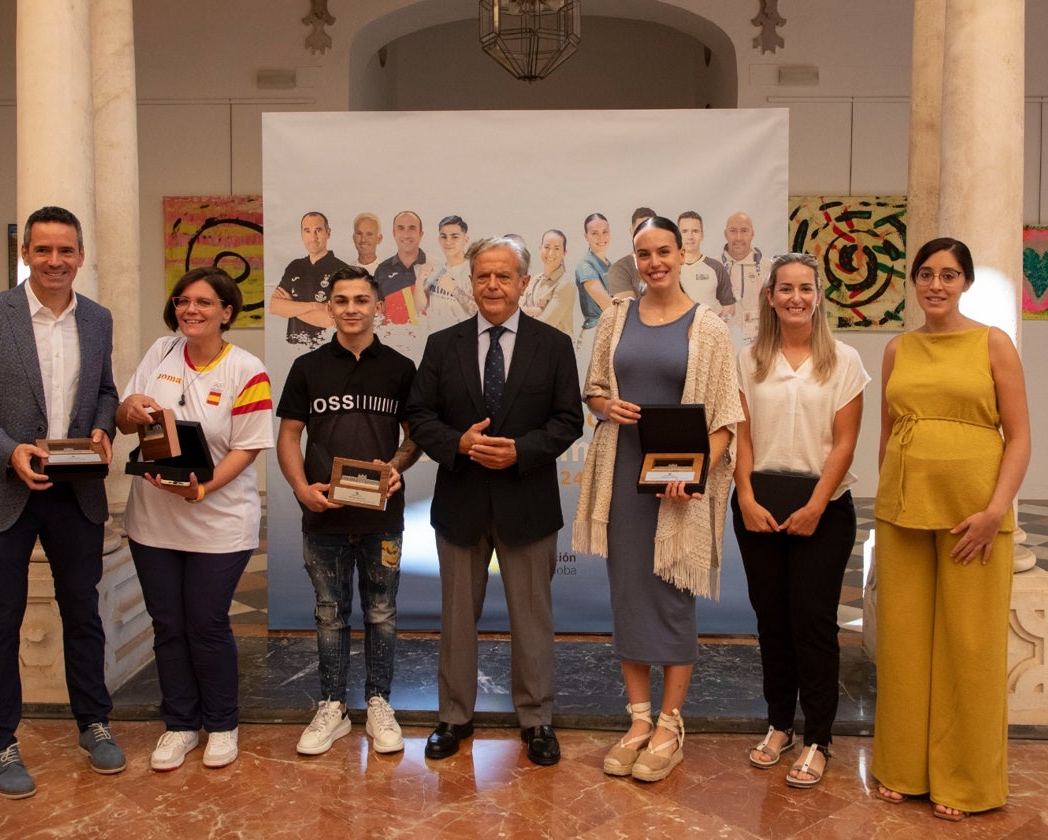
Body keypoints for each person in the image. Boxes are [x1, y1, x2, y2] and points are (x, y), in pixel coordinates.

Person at [0, 205, 124, 799]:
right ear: (26, 255)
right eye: (43, 250)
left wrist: (102, 432)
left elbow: (104, 391)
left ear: (81, 256)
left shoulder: (97, 319)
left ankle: (94, 723)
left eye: (65, 251)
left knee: (83, 614)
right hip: (3, 491)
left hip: (77, 495)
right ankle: (0, 742)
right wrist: (9, 450)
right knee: (2, 620)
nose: (54, 261)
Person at [573, 216, 742, 783]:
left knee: (672, 594)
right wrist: (603, 407)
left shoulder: (709, 327)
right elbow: (594, 388)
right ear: (636, 259)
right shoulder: (616, 317)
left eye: (663, 251)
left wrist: (693, 473)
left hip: (678, 483)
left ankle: (672, 723)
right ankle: (638, 719)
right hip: (622, 474)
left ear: (682, 252)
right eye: (643, 254)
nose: (654, 263)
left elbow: (726, 419)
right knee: (629, 593)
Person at [406, 236, 583, 766]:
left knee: (532, 618)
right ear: (471, 282)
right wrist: (457, 444)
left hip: (527, 502)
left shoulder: (553, 345)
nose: (493, 285)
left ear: (524, 283)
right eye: (483, 275)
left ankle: (537, 720)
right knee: (458, 617)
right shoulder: (443, 345)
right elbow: (419, 415)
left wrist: (521, 452)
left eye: (504, 276)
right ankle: (454, 717)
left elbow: (568, 420)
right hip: (461, 500)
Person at [871, 238, 1030, 822]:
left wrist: (995, 511)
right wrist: (892, 490)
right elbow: (888, 433)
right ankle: (903, 767)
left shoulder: (993, 343)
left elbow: (1019, 436)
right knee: (905, 640)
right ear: (914, 282)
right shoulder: (897, 348)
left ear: (964, 282)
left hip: (976, 516)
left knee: (970, 646)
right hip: (903, 509)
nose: (935, 284)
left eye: (949, 274)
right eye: (926, 274)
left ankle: (964, 781)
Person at [115, 266, 274, 772]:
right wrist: (131, 408)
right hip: (152, 522)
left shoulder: (247, 369)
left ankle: (222, 725)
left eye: (204, 303)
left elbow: (247, 449)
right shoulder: (159, 353)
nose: (191, 310)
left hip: (220, 522)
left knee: (205, 624)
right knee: (168, 626)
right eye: (184, 301)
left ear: (227, 312)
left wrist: (202, 488)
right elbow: (124, 417)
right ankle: (180, 725)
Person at [731, 253, 868, 788]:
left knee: (812, 623)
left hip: (823, 507)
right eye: (785, 288)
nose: (795, 297)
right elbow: (739, 434)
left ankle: (818, 738)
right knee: (772, 621)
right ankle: (779, 725)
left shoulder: (845, 360)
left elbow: (846, 442)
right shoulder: (749, 359)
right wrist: (744, 495)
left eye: (805, 288)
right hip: (759, 502)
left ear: (818, 295)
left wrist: (816, 505)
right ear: (769, 296)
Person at [276, 266, 420, 756]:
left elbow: (415, 434)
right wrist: (300, 488)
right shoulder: (308, 368)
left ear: (377, 306)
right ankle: (333, 707)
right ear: (330, 308)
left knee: (381, 614)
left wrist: (398, 465)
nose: (352, 308)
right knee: (329, 616)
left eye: (362, 299)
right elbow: (289, 435)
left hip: (382, 518)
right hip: (324, 515)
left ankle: (379, 703)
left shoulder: (400, 367)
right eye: (342, 300)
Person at [270, 211, 349, 347]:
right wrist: (313, 306)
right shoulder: (294, 266)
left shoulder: (343, 271)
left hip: (330, 350)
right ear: (301, 234)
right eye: (307, 231)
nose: (313, 237)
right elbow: (274, 306)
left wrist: (291, 306)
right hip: (293, 349)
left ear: (328, 233)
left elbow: (330, 320)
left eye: (318, 230)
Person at [415, 214, 476, 332]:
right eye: (444, 236)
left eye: (454, 237)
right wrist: (419, 282)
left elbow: (479, 312)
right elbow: (420, 307)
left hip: (461, 339)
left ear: (466, 239)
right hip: (435, 338)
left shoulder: (474, 271)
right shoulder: (436, 269)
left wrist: (453, 289)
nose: (448, 242)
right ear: (439, 239)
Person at [374, 210, 433, 325]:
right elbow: (376, 315)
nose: (406, 235)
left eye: (412, 228)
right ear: (394, 233)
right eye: (401, 228)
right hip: (392, 340)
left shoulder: (434, 268)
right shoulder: (382, 270)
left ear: (421, 234)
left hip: (428, 340)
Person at [720, 211, 769, 345]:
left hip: (760, 346)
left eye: (744, 231)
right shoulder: (714, 268)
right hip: (725, 347)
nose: (738, 237)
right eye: (733, 231)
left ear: (752, 234)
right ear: (726, 234)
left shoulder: (769, 268)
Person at [677, 211, 735, 318]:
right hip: (676, 333)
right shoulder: (669, 269)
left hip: (708, 332)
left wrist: (714, 327)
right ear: (677, 235)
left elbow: (729, 307)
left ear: (702, 235)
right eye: (684, 231)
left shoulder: (716, 268)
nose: (690, 237)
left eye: (695, 231)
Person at [521, 229, 576, 336]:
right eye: (547, 247)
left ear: (564, 252)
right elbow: (515, 311)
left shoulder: (565, 284)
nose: (551, 253)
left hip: (554, 349)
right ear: (540, 248)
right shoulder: (535, 279)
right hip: (533, 345)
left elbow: (545, 325)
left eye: (557, 248)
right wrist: (536, 311)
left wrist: (526, 311)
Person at [575, 212, 613, 347]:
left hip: (612, 331)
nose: (601, 237)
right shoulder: (585, 266)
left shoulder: (611, 266)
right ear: (586, 237)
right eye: (594, 233)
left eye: (605, 232)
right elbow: (608, 305)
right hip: (595, 333)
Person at [605, 207, 656, 299]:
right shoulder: (620, 269)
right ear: (631, 231)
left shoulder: (667, 264)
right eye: (639, 229)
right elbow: (628, 310)